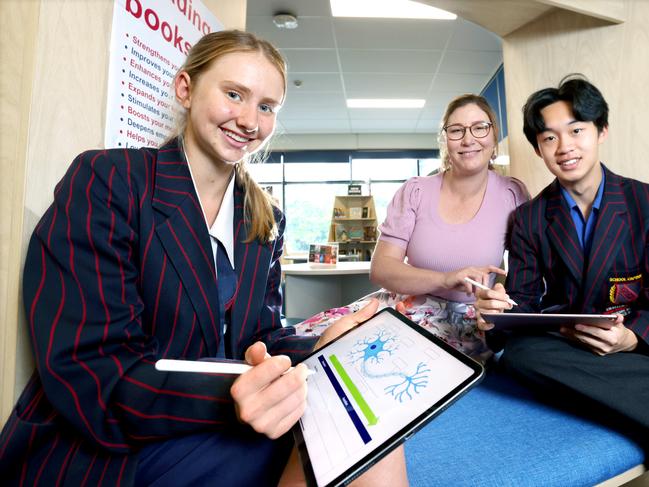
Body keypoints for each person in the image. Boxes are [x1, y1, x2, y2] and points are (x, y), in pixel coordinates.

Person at [0, 30, 407, 486]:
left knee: (370, 428)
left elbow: (259, 339)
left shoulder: (264, 218)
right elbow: (94, 374)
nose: (250, 120)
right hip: (114, 443)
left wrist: (319, 347)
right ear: (185, 89)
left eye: (267, 107)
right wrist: (233, 399)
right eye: (234, 94)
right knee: (345, 440)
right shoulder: (112, 180)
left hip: (223, 418)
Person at [475, 75, 649, 432]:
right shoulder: (528, 218)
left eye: (576, 131)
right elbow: (522, 301)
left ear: (601, 131)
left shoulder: (644, 202)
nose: (564, 147)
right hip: (565, 346)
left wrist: (631, 337)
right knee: (521, 354)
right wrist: (495, 315)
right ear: (539, 149)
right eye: (549, 138)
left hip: (633, 340)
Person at [370, 94, 529, 362]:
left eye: (479, 127)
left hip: (471, 321)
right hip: (402, 308)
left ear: (493, 136)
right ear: (445, 140)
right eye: (456, 130)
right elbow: (381, 268)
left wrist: (499, 298)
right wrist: (446, 278)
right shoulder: (415, 191)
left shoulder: (512, 194)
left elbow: (526, 273)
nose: (468, 139)